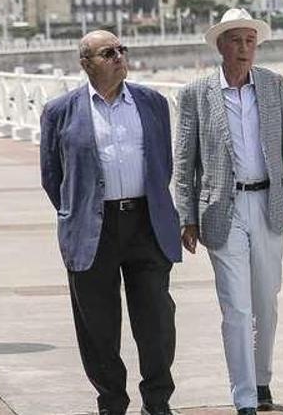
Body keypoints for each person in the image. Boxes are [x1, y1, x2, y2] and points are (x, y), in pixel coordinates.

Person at [39, 31, 181, 415]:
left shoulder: (151, 102)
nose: (119, 56)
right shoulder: (59, 111)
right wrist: (80, 212)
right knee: (98, 327)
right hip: (92, 230)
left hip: (146, 224)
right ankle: (112, 403)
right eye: (108, 52)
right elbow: (53, 178)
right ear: (86, 63)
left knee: (157, 321)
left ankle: (157, 402)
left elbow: (162, 165)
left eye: (122, 50)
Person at [174, 9, 283, 415]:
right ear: (221, 45)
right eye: (236, 40)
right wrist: (186, 217)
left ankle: (262, 379)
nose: (245, 48)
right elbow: (184, 161)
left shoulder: (272, 85)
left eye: (250, 41)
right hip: (221, 209)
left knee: (266, 301)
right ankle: (244, 397)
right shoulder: (195, 93)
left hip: (269, 205)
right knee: (236, 306)